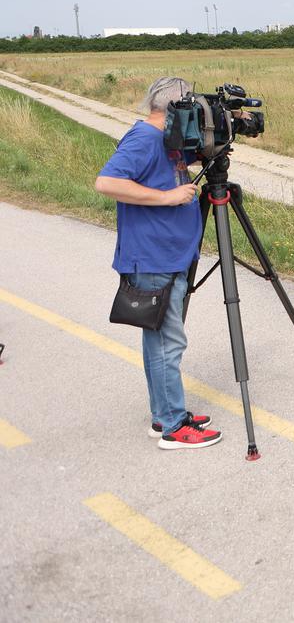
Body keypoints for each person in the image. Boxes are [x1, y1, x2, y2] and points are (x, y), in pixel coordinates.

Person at [95, 77, 221, 450]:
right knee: (168, 342)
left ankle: (165, 414)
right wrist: (167, 198)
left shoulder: (168, 137)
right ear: (173, 108)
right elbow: (106, 182)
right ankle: (173, 427)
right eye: (192, 108)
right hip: (153, 257)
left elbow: (172, 164)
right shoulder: (144, 138)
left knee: (158, 340)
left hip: (169, 254)